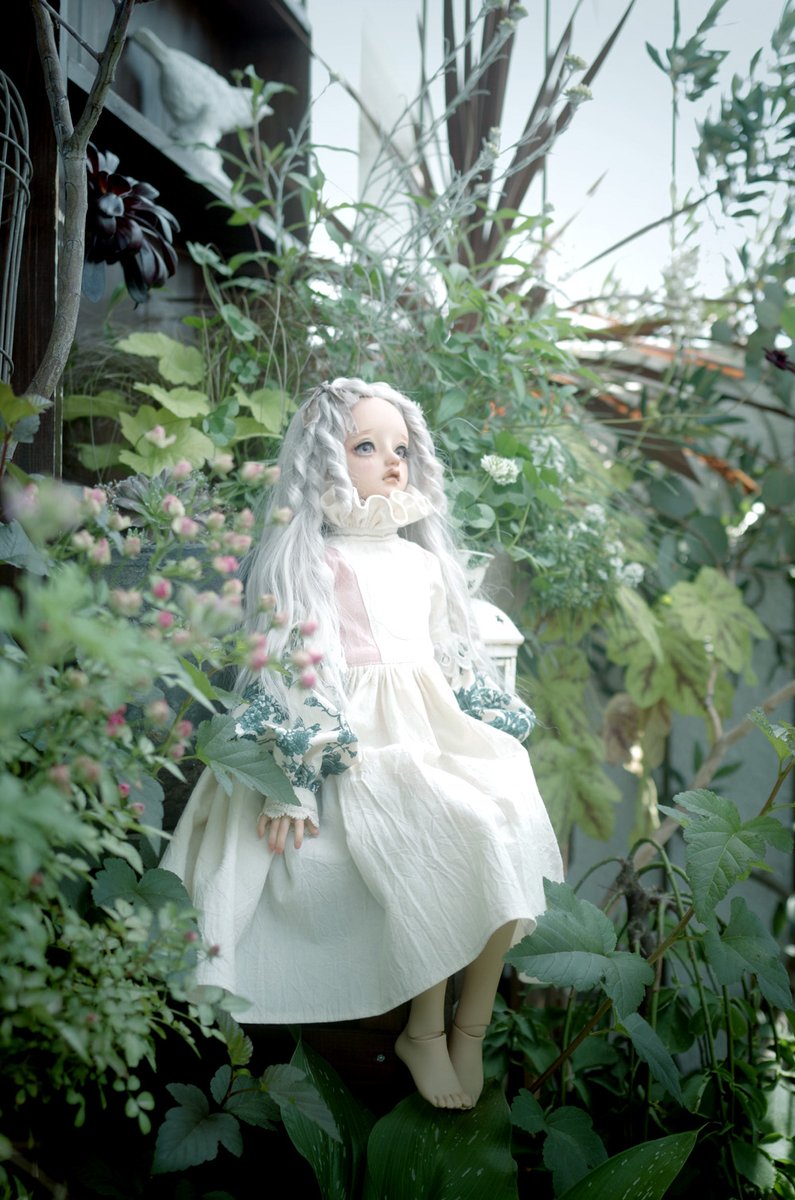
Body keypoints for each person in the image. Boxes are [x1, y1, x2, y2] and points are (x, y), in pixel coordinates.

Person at [161, 378, 564, 1110]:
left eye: (400, 447)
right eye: (367, 446)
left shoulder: (422, 562)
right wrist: (294, 776)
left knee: (509, 815)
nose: (391, 461)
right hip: (365, 741)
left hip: (431, 725)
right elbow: (296, 667)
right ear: (324, 460)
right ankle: (425, 1029)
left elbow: (449, 656)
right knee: (454, 833)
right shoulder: (315, 561)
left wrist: (480, 715)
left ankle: (467, 1027)